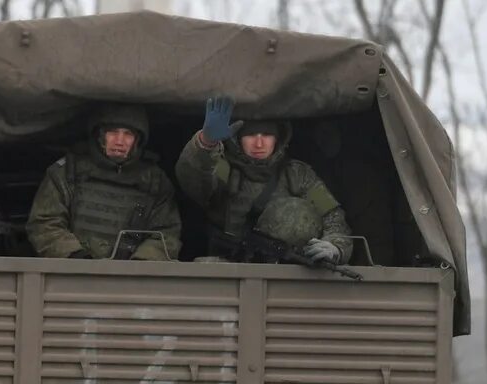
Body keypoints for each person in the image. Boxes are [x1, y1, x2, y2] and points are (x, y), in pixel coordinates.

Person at [175, 96, 352, 264]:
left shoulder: (299, 175)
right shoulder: (223, 168)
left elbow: (332, 217)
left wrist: (335, 247)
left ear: (279, 138)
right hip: (228, 266)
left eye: (267, 134)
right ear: (238, 138)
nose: (259, 144)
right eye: (250, 135)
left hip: (288, 269)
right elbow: (193, 182)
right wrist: (205, 143)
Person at [27, 104, 181, 261]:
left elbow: (167, 234)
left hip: (132, 279)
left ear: (137, 140)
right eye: (113, 133)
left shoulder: (155, 181)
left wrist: (141, 263)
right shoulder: (67, 172)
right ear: (99, 136)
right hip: (72, 274)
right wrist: (76, 257)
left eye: (128, 134)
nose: (120, 141)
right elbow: (44, 223)